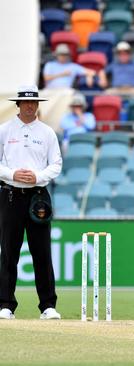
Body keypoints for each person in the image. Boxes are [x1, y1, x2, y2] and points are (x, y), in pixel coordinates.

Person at [0, 86, 63, 320]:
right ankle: (5, 305)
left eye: (34, 103)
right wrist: (11, 174)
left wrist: (37, 177)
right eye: (26, 103)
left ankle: (48, 305)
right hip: (10, 195)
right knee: (9, 252)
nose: (30, 106)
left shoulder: (46, 132)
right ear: (18, 104)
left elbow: (56, 164)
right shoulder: (4, 130)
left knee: (42, 252)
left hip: (38, 196)